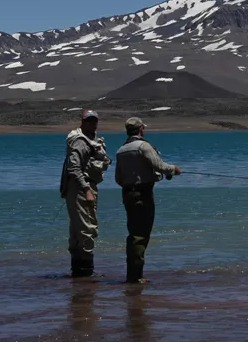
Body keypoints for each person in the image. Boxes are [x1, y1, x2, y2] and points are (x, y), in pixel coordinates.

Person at [114, 117, 181, 283]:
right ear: (141, 129)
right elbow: (159, 165)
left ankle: (133, 274)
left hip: (127, 194)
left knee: (133, 233)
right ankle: (135, 277)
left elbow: (118, 178)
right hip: (142, 194)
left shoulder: (121, 150)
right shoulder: (143, 146)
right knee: (140, 235)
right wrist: (174, 169)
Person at [59, 109, 112, 277]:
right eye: (88, 121)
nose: (92, 123)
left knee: (78, 230)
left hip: (83, 187)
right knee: (87, 229)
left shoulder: (91, 140)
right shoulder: (80, 142)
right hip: (82, 188)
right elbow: (73, 167)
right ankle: (86, 273)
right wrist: (86, 189)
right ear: (82, 122)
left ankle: (78, 273)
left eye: (94, 120)